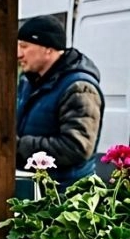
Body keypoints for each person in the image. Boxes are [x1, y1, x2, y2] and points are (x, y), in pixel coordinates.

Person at [15, 15, 105, 186]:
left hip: (66, 198)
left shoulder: (79, 88)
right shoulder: (30, 82)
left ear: (48, 49)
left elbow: (75, 147)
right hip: (36, 191)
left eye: (24, 46)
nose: (18, 54)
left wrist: (18, 145)